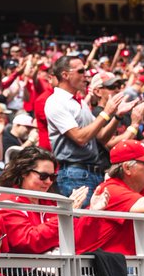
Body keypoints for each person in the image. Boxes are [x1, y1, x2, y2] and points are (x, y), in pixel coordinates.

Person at [43, 54, 124, 203]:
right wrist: (106, 113)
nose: (86, 75)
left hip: (91, 171)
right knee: (81, 223)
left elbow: (101, 138)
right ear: (65, 75)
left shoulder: (80, 103)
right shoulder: (56, 102)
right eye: (81, 71)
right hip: (75, 173)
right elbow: (80, 138)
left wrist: (117, 116)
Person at [0, 146, 90, 254]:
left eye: (52, 177)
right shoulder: (7, 202)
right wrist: (64, 216)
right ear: (24, 173)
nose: (49, 182)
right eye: (43, 176)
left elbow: (77, 240)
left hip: (51, 268)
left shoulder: (50, 202)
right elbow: (27, 242)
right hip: (21, 269)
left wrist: (93, 211)